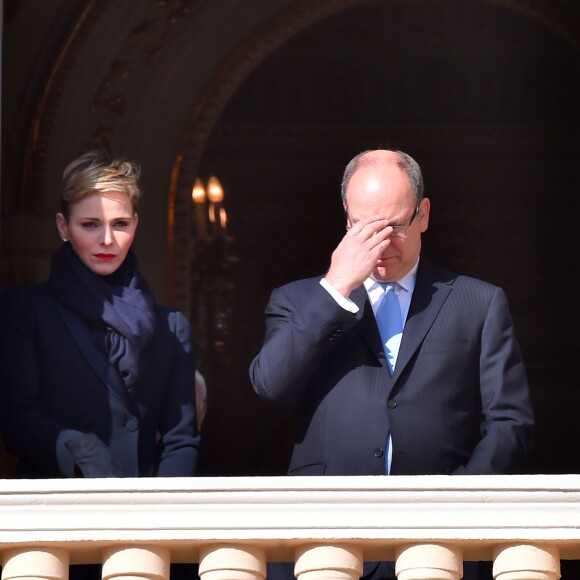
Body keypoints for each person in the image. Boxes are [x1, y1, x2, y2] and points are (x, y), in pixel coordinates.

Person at [250, 149, 534, 580]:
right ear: (346, 218)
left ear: (423, 214)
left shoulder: (478, 302)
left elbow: (510, 423)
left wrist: (459, 500)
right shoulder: (296, 301)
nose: (380, 243)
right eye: (364, 227)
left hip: (442, 543)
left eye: (394, 226)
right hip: (326, 538)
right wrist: (335, 288)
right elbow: (269, 384)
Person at [0, 150, 200, 575]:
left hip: (145, 539)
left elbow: (182, 440)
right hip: (52, 530)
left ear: (135, 226)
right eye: (90, 225)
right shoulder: (25, 308)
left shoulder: (172, 326)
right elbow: (15, 421)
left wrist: (157, 526)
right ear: (63, 227)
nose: (106, 240)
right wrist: (77, 446)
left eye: (119, 224)